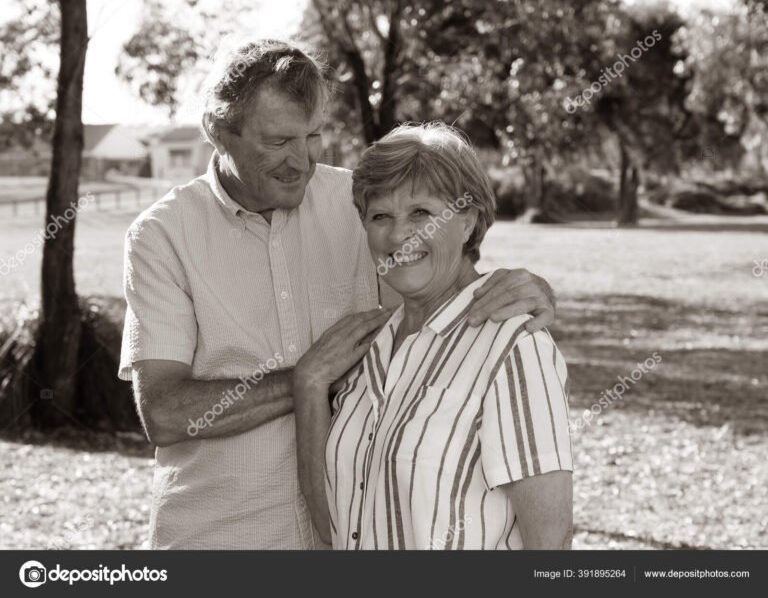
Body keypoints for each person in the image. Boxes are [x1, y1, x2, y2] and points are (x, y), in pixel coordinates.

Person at [119, 39, 558, 549]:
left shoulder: (363, 205)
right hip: (218, 539)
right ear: (218, 132)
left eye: (313, 136)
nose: (301, 160)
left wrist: (526, 290)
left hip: (355, 539)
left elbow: (439, 291)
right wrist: (307, 377)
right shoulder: (162, 235)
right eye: (278, 141)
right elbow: (165, 413)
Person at [294, 122, 572, 549]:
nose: (398, 234)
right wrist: (310, 386)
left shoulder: (513, 344)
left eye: (421, 212)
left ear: (468, 222)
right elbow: (334, 525)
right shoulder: (367, 349)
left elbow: (551, 544)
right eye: (380, 216)